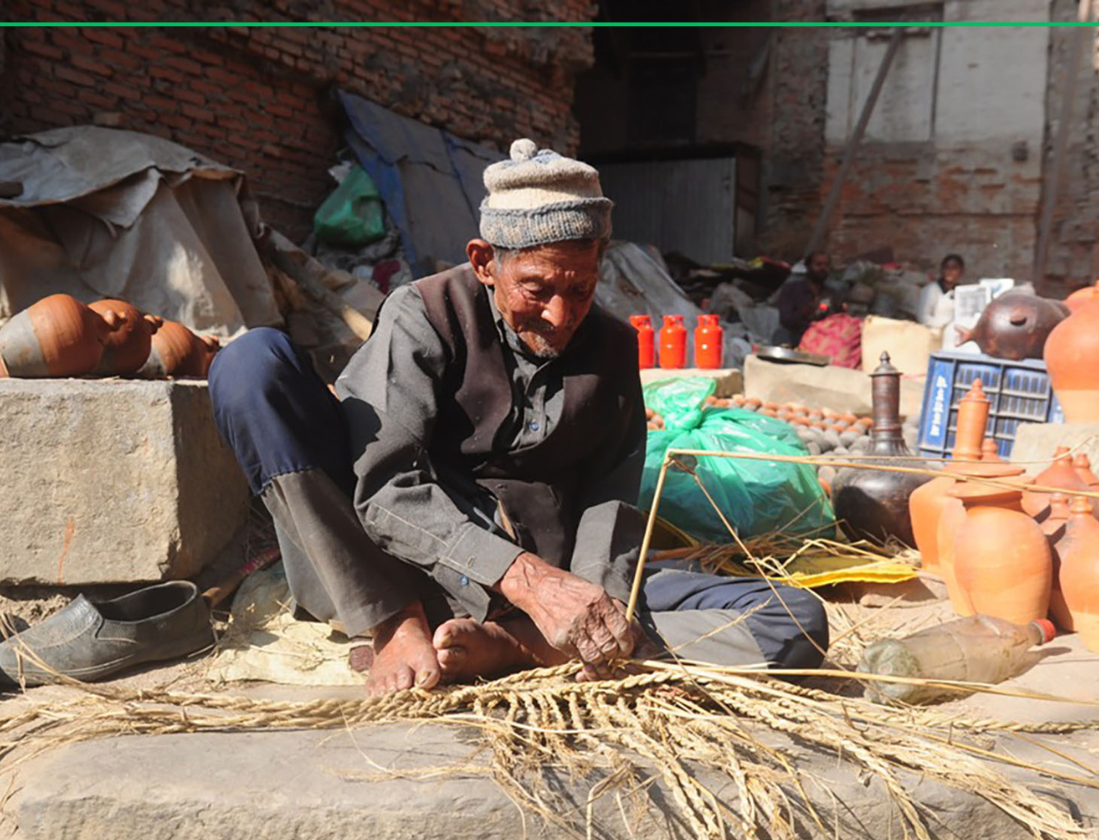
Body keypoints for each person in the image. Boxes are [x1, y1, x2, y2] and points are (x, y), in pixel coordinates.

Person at [208, 138, 828, 697]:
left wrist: (592, 608)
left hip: (557, 580)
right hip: (412, 574)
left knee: (797, 620)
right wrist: (520, 580)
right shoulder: (423, 315)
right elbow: (386, 487)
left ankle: (526, 649)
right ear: (484, 262)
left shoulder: (610, 347)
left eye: (581, 289)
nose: (562, 316)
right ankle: (394, 625)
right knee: (250, 365)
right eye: (537, 289)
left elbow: (610, 501)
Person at [773, 252, 837, 347]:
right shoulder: (792, 289)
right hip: (794, 337)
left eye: (826, 265)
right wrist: (806, 311)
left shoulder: (831, 294)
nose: (823, 268)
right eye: (818, 264)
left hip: (820, 341)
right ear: (808, 267)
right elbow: (786, 321)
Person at [918, 253, 965, 333]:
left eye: (954, 268)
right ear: (942, 270)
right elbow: (923, 317)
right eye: (946, 267)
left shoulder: (961, 291)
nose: (950, 271)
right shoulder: (931, 289)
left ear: (961, 272)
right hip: (934, 335)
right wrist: (946, 325)